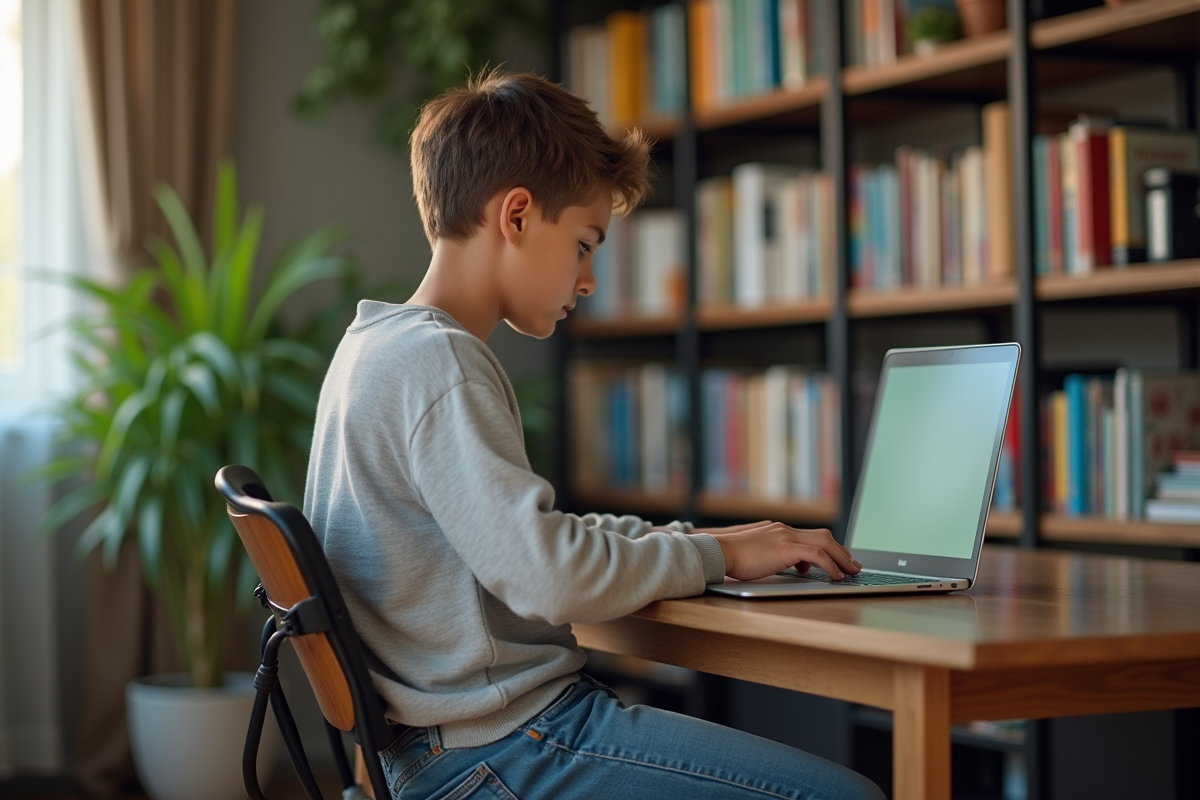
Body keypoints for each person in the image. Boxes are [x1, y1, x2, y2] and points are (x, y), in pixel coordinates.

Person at [304, 69, 884, 800]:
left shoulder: (372, 348)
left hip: (442, 751)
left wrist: (704, 545)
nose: (588, 280)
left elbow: (524, 541)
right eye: (584, 243)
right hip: (502, 747)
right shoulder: (440, 362)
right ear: (515, 216)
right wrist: (714, 552)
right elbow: (547, 576)